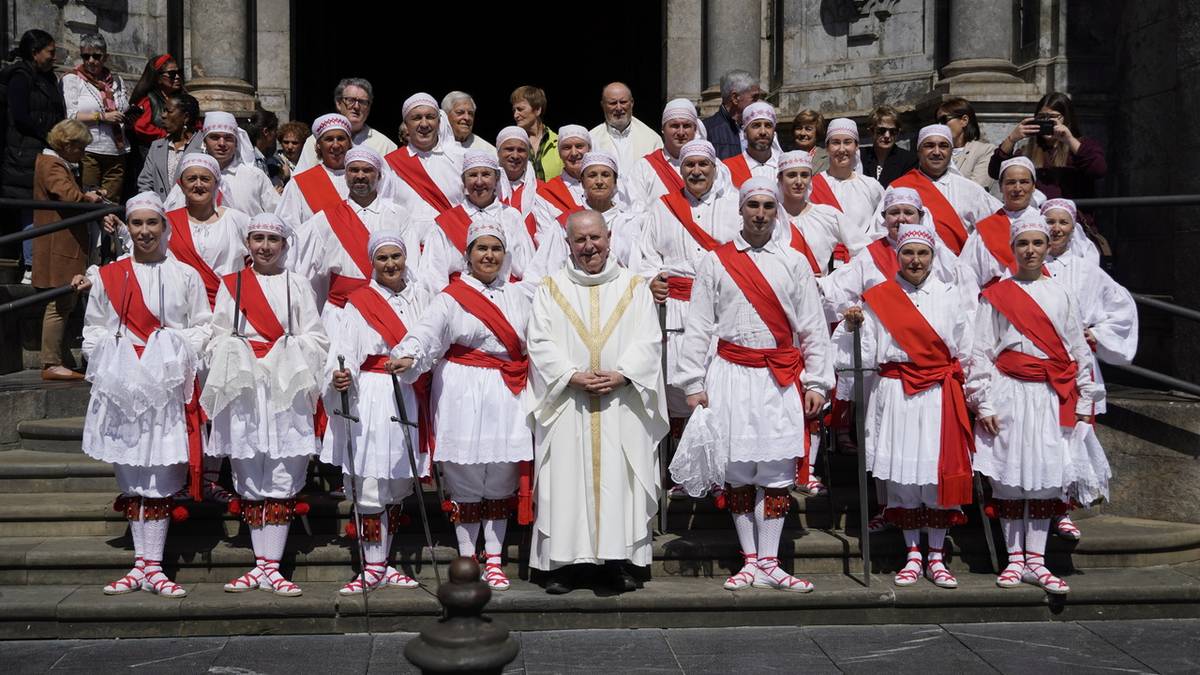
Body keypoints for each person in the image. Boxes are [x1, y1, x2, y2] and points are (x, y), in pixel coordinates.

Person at [675, 177, 832, 593]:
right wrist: (693, 380)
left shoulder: (794, 261)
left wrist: (817, 380)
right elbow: (698, 325)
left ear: (775, 211)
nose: (760, 213)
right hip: (731, 373)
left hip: (779, 378)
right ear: (741, 210)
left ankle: (770, 561)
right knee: (740, 470)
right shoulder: (715, 261)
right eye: (753, 206)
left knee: (778, 470)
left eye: (767, 206)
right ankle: (750, 561)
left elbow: (813, 328)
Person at [525, 209, 668, 593]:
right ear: (568, 244)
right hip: (568, 402)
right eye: (580, 240)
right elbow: (538, 341)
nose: (589, 247)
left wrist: (623, 374)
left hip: (620, 400)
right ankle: (563, 565)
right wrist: (569, 375)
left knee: (620, 479)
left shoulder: (635, 286)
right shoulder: (550, 287)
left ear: (609, 237)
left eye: (595, 238)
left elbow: (649, 340)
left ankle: (618, 561)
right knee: (566, 480)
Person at [391, 219, 535, 592]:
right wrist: (409, 355)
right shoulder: (450, 297)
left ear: (505, 254)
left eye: (496, 248)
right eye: (481, 249)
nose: (489, 255)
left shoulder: (521, 295)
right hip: (462, 389)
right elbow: (428, 332)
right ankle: (468, 558)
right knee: (465, 476)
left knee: (501, 472)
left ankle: (495, 559)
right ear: (468, 255)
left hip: (507, 388)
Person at [81, 191, 212, 598]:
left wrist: (167, 347)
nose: (143, 231)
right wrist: (119, 352)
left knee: (159, 477)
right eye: (136, 224)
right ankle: (140, 564)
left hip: (166, 388)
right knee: (133, 477)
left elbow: (204, 330)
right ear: (127, 229)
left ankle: (154, 565)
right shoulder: (109, 276)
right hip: (124, 387)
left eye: (151, 223)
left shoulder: (186, 276)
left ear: (165, 227)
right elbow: (92, 332)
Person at [835, 223, 975, 589]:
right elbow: (862, 356)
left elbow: (968, 349)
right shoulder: (878, 297)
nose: (915, 260)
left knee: (934, 473)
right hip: (896, 391)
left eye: (922, 253)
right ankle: (913, 555)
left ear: (933, 256)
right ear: (897, 256)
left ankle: (937, 557)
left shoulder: (950, 295)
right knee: (903, 477)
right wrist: (853, 328)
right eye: (908, 253)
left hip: (938, 395)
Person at [969, 217, 1098, 596]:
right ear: (1013, 248)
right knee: (1010, 478)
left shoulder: (1062, 293)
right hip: (1009, 392)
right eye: (1023, 243)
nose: (1030, 250)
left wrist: (1085, 398)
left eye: (1037, 243)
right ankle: (1014, 560)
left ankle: (1037, 561)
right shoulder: (996, 295)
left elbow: (1078, 350)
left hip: (1048, 396)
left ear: (1047, 247)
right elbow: (981, 351)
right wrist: (984, 402)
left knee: (1043, 479)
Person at [201, 212, 328, 597]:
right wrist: (239, 351)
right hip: (245, 387)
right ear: (248, 244)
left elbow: (316, 338)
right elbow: (217, 335)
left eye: (273, 240)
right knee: (248, 471)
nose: (265, 246)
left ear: (285, 245)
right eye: (257, 239)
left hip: (285, 386)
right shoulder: (233, 285)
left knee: (282, 470)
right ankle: (260, 565)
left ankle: (273, 566)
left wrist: (286, 351)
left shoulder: (298, 284)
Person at [323, 231, 431, 594]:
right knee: (369, 480)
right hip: (370, 394)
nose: (390, 264)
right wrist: (342, 374)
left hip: (407, 390)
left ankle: (385, 563)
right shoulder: (359, 302)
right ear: (373, 263)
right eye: (382, 259)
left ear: (405, 259)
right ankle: (372, 566)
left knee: (395, 481)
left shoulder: (421, 299)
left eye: (395, 257)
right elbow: (345, 347)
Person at [1042, 197, 1136, 539]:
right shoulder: (1029, 261)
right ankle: (1042, 503)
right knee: (1043, 435)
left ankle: (1064, 507)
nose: (1055, 228)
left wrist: (1095, 333)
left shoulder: (1087, 271)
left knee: (1074, 435)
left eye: (1062, 222)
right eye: (1049, 221)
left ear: (1072, 227)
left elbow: (1122, 309)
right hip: (1039, 365)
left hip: (1075, 364)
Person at [636, 139, 740, 422]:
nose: (696, 171)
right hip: (675, 310)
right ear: (680, 170)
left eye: (702, 164)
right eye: (689, 165)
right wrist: (651, 279)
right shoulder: (663, 207)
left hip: (720, 310)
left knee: (718, 384)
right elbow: (646, 256)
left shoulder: (736, 206)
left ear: (715, 168)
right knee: (675, 388)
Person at [293, 146, 419, 333]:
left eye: (367, 170)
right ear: (345, 175)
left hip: (389, 310)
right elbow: (300, 267)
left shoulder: (399, 215)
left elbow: (412, 269)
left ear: (379, 175)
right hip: (340, 313)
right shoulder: (324, 219)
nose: (360, 175)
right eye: (353, 170)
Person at [31, 119, 103, 380]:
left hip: (62, 242)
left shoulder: (55, 163)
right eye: (80, 148)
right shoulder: (52, 164)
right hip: (58, 244)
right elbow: (67, 195)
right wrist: (89, 197)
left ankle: (56, 359)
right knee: (60, 303)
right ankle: (51, 363)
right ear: (67, 144)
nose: (83, 154)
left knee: (64, 301)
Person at [418, 150, 532, 289]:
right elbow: (433, 276)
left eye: (486, 174)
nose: (479, 181)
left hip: (506, 298)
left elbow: (529, 268)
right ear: (464, 181)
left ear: (496, 179)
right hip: (464, 302)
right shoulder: (447, 222)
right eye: (472, 175)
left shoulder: (511, 216)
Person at [2, 29, 66, 271]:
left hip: (43, 152)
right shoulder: (21, 77)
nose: (54, 57)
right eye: (50, 52)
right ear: (34, 52)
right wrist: (49, 134)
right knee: (31, 208)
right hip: (23, 155)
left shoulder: (48, 79)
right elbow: (21, 116)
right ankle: (30, 265)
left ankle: (36, 263)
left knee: (43, 208)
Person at [886, 124, 1000, 255]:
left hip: (960, 270)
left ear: (951, 151)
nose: (936, 152)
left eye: (943, 146)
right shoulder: (898, 188)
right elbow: (880, 233)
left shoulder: (970, 189)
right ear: (918, 151)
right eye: (929, 146)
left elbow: (998, 227)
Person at [527, 151, 645, 277]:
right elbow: (541, 272)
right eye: (592, 175)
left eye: (605, 175)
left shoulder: (631, 223)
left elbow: (641, 271)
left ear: (615, 181)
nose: (599, 181)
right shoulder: (565, 224)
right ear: (582, 182)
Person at [160, 153, 251, 309]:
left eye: (205, 179)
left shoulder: (238, 220)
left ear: (216, 184)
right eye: (191, 179)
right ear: (181, 185)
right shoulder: (167, 223)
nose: (198, 184)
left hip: (229, 307)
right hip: (182, 307)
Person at [989, 92, 1106, 203]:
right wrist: (1011, 139)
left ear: (1066, 118)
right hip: (1036, 217)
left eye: (1053, 117)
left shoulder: (1081, 146)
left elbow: (1098, 169)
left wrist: (1069, 140)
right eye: (1042, 117)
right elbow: (996, 172)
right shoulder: (1027, 151)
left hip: (1070, 219)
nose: (1047, 122)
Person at [776, 150, 870, 278]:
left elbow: (864, 249)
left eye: (804, 175)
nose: (799, 181)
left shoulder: (826, 215)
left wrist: (836, 278)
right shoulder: (771, 218)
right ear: (780, 178)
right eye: (792, 175)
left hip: (819, 293)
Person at [164, 111, 279, 216]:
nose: (222, 143)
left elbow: (279, 213)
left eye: (228, 138)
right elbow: (171, 215)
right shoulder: (191, 177)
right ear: (204, 142)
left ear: (236, 142)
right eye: (215, 137)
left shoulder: (254, 176)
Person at [623, 98, 729, 211]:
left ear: (695, 129)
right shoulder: (643, 169)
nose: (681, 132)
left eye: (687, 126)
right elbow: (635, 213)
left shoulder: (715, 167)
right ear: (663, 128)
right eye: (674, 126)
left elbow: (725, 206)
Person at [61, 34, 128, 201]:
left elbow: (124, 107)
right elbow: (71, 115)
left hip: (117, 150)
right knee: (90, 201)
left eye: (96, 56)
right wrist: (102, 116)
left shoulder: (116, 81)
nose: (91, 60)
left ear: (105, 57)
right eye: (85, 56)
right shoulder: (72, 79)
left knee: (111, 204)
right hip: (88, 150)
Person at [384, 92, 465, 223]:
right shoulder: (389, 164)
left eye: (430, 117)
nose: (424, 124)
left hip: (452, 240)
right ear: (406, 124)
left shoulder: (460, 159)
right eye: (416, 118)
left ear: (439, 122)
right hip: (409, 241)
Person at [296, 78, 396, 171]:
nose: (356, 106)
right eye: (350, 100)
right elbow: (299, 181)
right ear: (338, 104)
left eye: (362, 102)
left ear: (369, 107)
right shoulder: (316, 140)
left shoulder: (385, 145)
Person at [275, 114, 352, 231]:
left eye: (341, 138)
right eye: (329, 139)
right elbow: (287, 229)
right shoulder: (299, 184)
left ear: (349, 143)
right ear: (318, 146)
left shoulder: (363, 179)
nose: (336, 145)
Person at [811, 118, 884, 241]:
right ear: (827, 148)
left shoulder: (871, 186)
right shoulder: (813, 185)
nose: (841, 149)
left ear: (856, 147)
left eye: (847, 142)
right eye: (835, 142)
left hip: (863, 256)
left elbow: (881, 225)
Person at [495, 125, 555, 249]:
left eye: (521, 150)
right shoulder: (488, 190)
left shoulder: (542, 190)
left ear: (527, 154)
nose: (515, 155)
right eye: (509, 149)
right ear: (498, 152)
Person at [136, 93, 203, 199]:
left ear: (185, 117)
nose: (163, 115)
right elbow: (145, 182)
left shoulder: (203, 147)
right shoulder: (157, 146)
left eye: (169, 111)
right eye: (163, 110)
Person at [588, 82, 663, 175]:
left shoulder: (652, 139)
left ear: (632, 103)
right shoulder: (591, 139)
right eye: (613, 103)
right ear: (603, 105)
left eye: (623, 102)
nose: (619, 108)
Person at [534, 125, 591, 224]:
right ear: (559, 154)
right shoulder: (547, 192)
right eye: (567, 147)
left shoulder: (605, 185)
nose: (574, 153)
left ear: (589, 150)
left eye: (579, 146)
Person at [127, 54, 184, 150]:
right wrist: (167, 135)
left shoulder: (182, 98)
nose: (177, 77)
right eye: (172, 74)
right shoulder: (148, 100)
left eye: (179, 72)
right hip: (153, 152)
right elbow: (141, 127)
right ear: (158, 77)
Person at [702, 69, 763, 159]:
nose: (758, 103)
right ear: (735, 98)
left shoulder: (761, 129)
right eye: (754, 97)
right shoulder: (706, 130)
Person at [936, 97, 994, 190]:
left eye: (944, 120)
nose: (939, 126)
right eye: (937, 121)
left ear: (964, 120)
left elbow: (976, 189)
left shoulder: (984, 151)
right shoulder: (934, 152)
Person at [723, 101, 779, 188]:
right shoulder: (728, 168)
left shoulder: (784, 166)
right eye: (756, 125)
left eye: (768, 125)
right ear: (744, 132)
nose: (763, 132)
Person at [859, 106, 916, 188]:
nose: (887, 135)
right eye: (881, 131)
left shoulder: (909, 160)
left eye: (893, 131)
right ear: (871, 131)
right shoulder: (860, 156)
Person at [511, 85, 560, 181]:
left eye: (520, 109)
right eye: (514, 110)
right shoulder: (512, 143)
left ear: (537, 110)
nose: (515, 115)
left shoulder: (559, 142)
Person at [248, 109, 284, 188]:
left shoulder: (261, 157)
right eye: (275, 130)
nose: (276, 135)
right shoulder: (252, 160)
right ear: (266, 131)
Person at [790, 109, 829, 174]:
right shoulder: (785, 157)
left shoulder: (829, 158)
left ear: (818, 132)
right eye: (799, 128)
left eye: (808, 129)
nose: (802, 133)